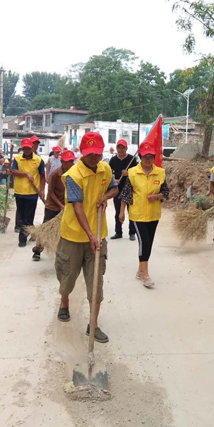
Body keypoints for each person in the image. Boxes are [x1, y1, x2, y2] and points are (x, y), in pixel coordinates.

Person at [55, 132, 118, 342]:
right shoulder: (73, 175)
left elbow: (114, 188)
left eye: (98, 154)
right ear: (83, 153)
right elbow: (78, 208)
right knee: (68, 277)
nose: (94, 158)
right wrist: (90, 234)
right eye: (90, 154)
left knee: (95, 281)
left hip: (98, 236)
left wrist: (105, 197)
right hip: (73, 235)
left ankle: (93, 325)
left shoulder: (105, 168)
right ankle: (64, 302)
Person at [118, 141, 169, 288]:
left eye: (150, 157)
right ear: (140, 157)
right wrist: (121, 212)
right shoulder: (133, 172)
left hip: (154, 214)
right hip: (137, 214)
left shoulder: (160, 172)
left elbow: (166, 192)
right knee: (144, 242)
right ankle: (145, 275)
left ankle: (140, 270)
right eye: (145, 157)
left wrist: (157, 196)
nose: (148, 160)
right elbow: (126, 195)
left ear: (154, 157)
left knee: (149, 243)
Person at [32, 150, 76, 261]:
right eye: (67, 162)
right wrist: (60, 205)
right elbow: (50, 192)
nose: (70, 164)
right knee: (46, 228)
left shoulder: (75, 173)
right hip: (53, 205)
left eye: (71, 161)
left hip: (67, 206)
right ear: (62, 161)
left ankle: (64, 252)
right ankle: (37, 250)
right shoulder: (55, 174)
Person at [10, 138, 45, 247]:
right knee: (21, 215)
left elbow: (43, 176)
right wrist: (25, 174)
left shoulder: (39, 160)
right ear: (22, 148)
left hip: (32, 193)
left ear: (31, 148)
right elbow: (13, 171)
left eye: (28, 148)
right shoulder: (17, 159)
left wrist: (42, 189)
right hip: (20, 192)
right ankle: (27, 234)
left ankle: (23, 238)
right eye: (24, 148)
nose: (27, 150)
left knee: (29, 216)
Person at [109, 139, 137, 241]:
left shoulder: (131, 160)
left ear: (126, 148)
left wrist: (128, 173)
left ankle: (132, 232)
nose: (121, 150)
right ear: (116, 148)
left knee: (131, 211)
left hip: (130, 189)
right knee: (118, 211)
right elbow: (108, 173)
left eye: (123, 148)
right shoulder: (113, 160)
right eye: (119, 148)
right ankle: (118, 232)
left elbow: (138, 173)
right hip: (117, 189)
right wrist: (113, 180)